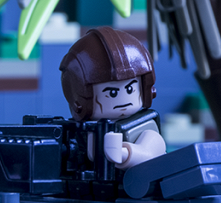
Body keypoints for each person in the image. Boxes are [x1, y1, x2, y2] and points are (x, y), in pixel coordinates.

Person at [59, 26, 167, 170]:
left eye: (130, 89)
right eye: (112, 93)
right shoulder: (77, 131)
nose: (124, 99)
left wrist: (124, 153)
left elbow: (150, 152)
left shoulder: (146, 130)